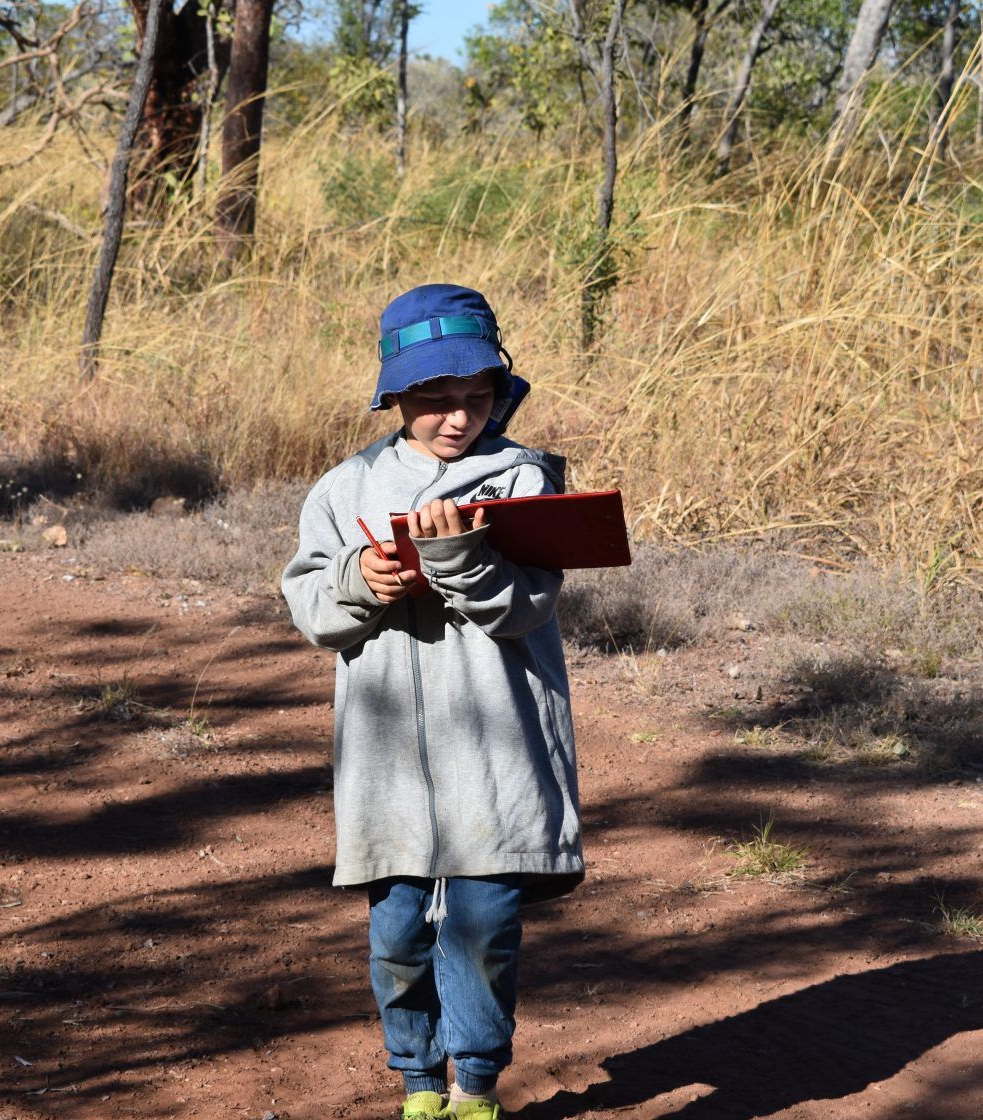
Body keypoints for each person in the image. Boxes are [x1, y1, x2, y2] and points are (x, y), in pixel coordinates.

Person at [280, 284, 584, 1120]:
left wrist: (460, 559)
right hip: (390, 767)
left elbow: (528, 605)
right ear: (397, 396)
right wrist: (357, 579)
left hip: (495, 754)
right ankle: (419, 1086)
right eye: (436, 400)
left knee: (485, 925)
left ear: (500, 394)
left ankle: (475, 1087)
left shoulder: (525, 477)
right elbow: (309, 604)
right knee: (400, 936)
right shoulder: (349, 488)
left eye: (476, 398)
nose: (458, 418)